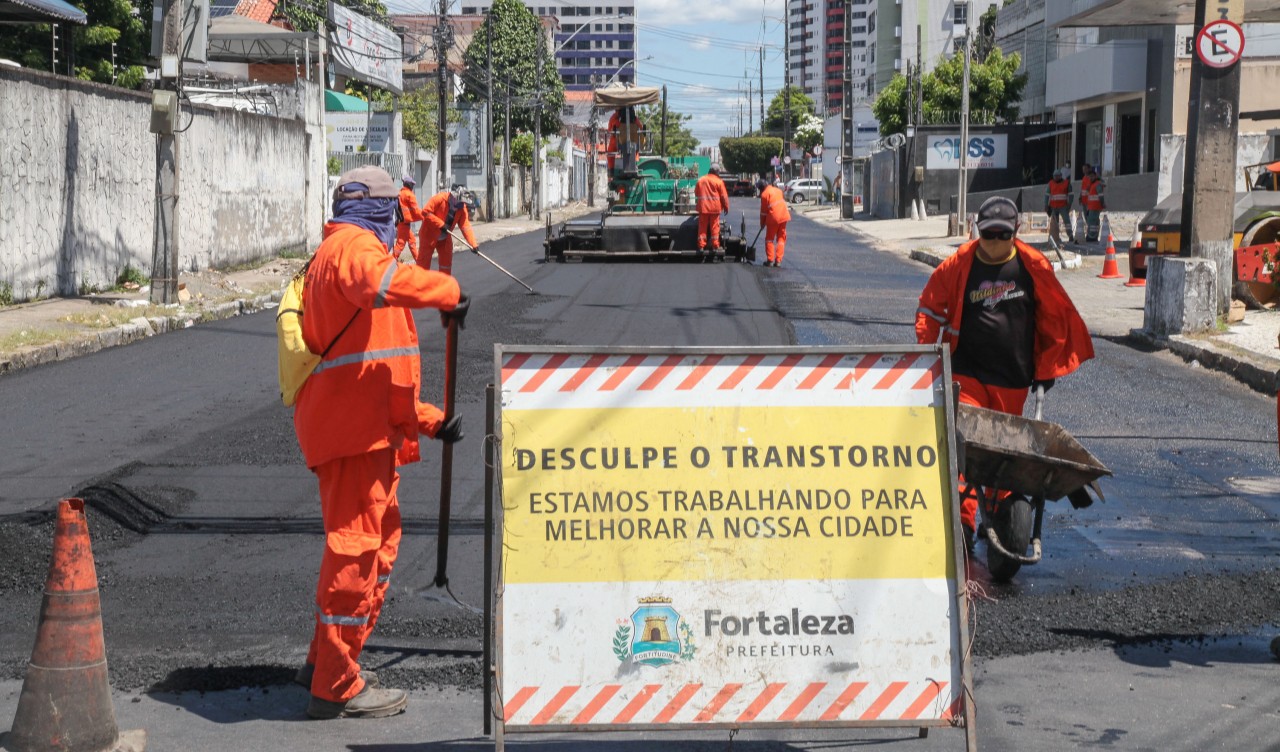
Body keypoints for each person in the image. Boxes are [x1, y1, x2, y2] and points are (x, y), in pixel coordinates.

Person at [292, 165, 469, 719]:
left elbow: (374, 368)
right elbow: (383, 284)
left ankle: (325, 660)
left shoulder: (352, 251)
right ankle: (336, 685)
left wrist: (429, 420)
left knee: (378, 549)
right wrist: (445, 290)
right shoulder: (350, 250)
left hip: (364, 432)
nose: (399, 221)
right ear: (372, 208)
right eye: (394, 210)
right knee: (355, 550)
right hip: (352, 439)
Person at [915, 196, 1094, 550]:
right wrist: (928, 355)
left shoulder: (1033, 267)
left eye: (1002, 235)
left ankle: (999, 514)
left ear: (1017, 232)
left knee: (1001, 454)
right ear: (976, 230)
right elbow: (930, 308)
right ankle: (962, 524)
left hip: (1012, 379)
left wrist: (1046, 370)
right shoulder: (958, 264)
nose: (994, 242)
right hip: (965, 372)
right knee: (965, 450)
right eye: (988, 235)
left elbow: (1053, 321)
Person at [417, 185, 479, 275]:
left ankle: (444, 285)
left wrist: (473, 244)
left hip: (445, 238)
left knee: (446, 265)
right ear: (455, 198)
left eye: (464, 204)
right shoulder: (440, 199)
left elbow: (466, 227)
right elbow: (426, 212)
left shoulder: (462, 209)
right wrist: (440, 224)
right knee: (423, 264)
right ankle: (419, 286)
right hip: (429, 235)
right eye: (461, 203)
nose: (462, 205)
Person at [694, 163, 730, 255]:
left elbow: (696, 193)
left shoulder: (701, 180)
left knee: (702, 227)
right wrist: (726, 207)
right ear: (716, 172)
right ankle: (715, 246)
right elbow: (724, 196)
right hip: (714, 208)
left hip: (703, 208)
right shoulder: (719, 182)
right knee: (714, 227)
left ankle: (701, 246)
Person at [757, 177, 791, 268]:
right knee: (781, 238)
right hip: (784, 216)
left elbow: (763, 212)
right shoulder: (778, 190)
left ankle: (770, 260)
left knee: (769, 239)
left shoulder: (765, 195)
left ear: (761, 188)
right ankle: (778, 260)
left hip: (774, 218)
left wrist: (762, 224)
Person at [1044, 169, 1075, 246]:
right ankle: (1055, 236)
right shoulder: (1050, 184)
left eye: (1057, 176)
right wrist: (1046, 205)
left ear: (1060, 176)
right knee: (1055, 223)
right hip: (1053, 206)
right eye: (1054, 176)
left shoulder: (1066, 183)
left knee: (1067, 221)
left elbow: (1071, 195)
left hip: (1063, 206)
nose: (1056, 177)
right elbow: (1047, 195)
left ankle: (1070, 235)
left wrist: (1069, 204)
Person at [393, 175, 422, 260]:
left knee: (412, 241)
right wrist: (425, 216)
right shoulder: (410, 195)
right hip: (404, 223)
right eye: (412, 184)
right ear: (409, 184)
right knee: (400, 244)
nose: (413, 186)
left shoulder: (400, 193)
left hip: (401, 222)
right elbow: (416, 211)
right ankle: (391, 261)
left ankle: (419, 261)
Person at [1084, 167, 1106, 243]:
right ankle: (1093, 236)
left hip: (1095, 206)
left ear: (1095, 176)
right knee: (1094, 222)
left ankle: (1091, 236)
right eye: (1090, 177)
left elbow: (1100, 195)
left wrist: (1102, 204)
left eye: (1092, 176)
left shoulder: (1097, 184)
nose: (1090, 178)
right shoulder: (1092, 185)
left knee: (1092, 222)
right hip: (1092, 207)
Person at [1079, 164, 1098, 242]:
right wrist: (1080, 197)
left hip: (1090, 202)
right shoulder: (1084, 177)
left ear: (1089, 169)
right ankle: (1091, 234)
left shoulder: (1093, 178)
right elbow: (1082, 189)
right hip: (1084, 201)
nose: (1084, 171)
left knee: (1092, 220)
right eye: (1083, 169)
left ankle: (1092, 235)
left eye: (1086, 169)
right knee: (1087, 219)